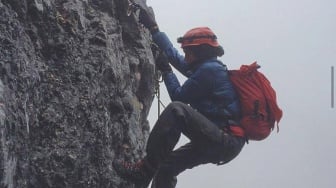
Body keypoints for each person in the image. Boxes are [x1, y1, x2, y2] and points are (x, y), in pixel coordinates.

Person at [113, 6, 246, 188]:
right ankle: (146, 175)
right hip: (223, 140)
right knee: (167, 167)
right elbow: (174, 56)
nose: (185, 55)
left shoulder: (209, 71)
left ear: (198, 52)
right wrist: (154, 30)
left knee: (176, 110)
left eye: (188, 52)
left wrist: (166, 70)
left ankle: (144, 171)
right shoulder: (206, 67)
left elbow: (179, 97)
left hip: (225, 138)